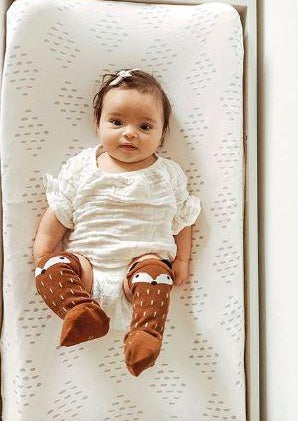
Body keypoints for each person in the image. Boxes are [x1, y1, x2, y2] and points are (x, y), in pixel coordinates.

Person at [32, 69, 201, 376]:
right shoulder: (82, 167)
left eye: (145, 126)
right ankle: (80, 312)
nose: (130, 133)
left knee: (156, 274)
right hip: (87, 271)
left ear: (162, 134)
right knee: (48, 269)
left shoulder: (167, 175)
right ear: (98, 125)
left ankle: (145, 334)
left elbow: (183, 220)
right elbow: (58, 209)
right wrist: (44, 250)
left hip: (140, 271)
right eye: (117, 122)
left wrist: (182, 260)